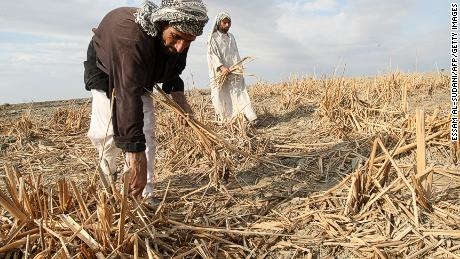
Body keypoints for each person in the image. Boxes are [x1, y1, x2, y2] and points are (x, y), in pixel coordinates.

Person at [83, 0, 209, 203]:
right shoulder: (131, 38)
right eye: (176, 37)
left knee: (147, 129)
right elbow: (127, 96)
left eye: (188, 41)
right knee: (107, 133)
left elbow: (171, 71)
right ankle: (108, 175)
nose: (180, 47)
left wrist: (181, 103)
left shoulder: (179, 37)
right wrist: (136, 154)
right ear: (162, 23)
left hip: (140, 72)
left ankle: (143, 193)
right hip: (105, 69)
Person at [207, 12, 258, 124]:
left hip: (234, 71)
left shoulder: (232, 37)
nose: (227, 25)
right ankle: (227, 121)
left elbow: (235, 53)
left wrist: (238, 67)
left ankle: (249, 117)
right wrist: (221, 67)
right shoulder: (213, 38)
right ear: (218, 23)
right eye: (224, 22)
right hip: (220, 73)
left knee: (240, 92)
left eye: (229, 22)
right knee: (221, 96)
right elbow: (212, 55)